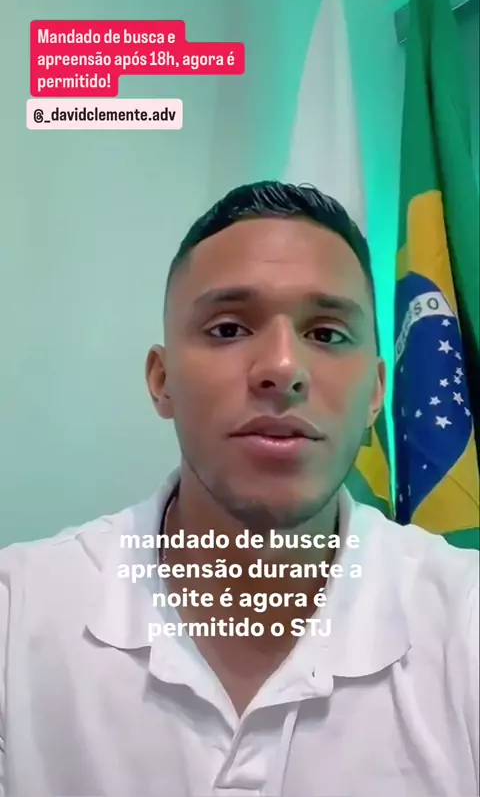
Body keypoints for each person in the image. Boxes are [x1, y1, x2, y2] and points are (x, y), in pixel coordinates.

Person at [0, 181, 478, 797]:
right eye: (228, 329)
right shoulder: (16, 617)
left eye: (327, 334)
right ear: (162, 380)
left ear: (376, 394)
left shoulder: (465, 624)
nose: (282, 368)